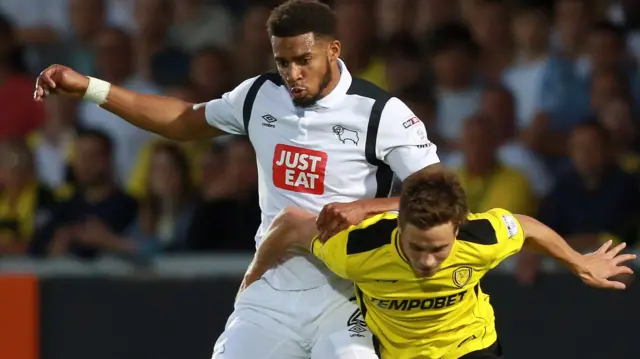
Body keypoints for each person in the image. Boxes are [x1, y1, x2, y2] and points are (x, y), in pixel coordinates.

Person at [33, 1, 440, 358]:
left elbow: (441, 196)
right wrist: (89, 87)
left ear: (334, 50)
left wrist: (365, 208)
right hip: (272, 293)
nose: (292, 73)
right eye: (283, 62)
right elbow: (181, 120)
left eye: (304, 60)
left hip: (350, 295)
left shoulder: (380, 113)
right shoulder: (260, 94)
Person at [244, 168, 636, 359]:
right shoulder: (356, 249)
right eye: (417, 248)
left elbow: (527, 227)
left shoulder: (480, 237)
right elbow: (292, 224)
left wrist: (578, 263)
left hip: (471, 347)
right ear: (398, 225)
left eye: (439, 249)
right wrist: (256, 272)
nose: (428, 261)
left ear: (458, 228)